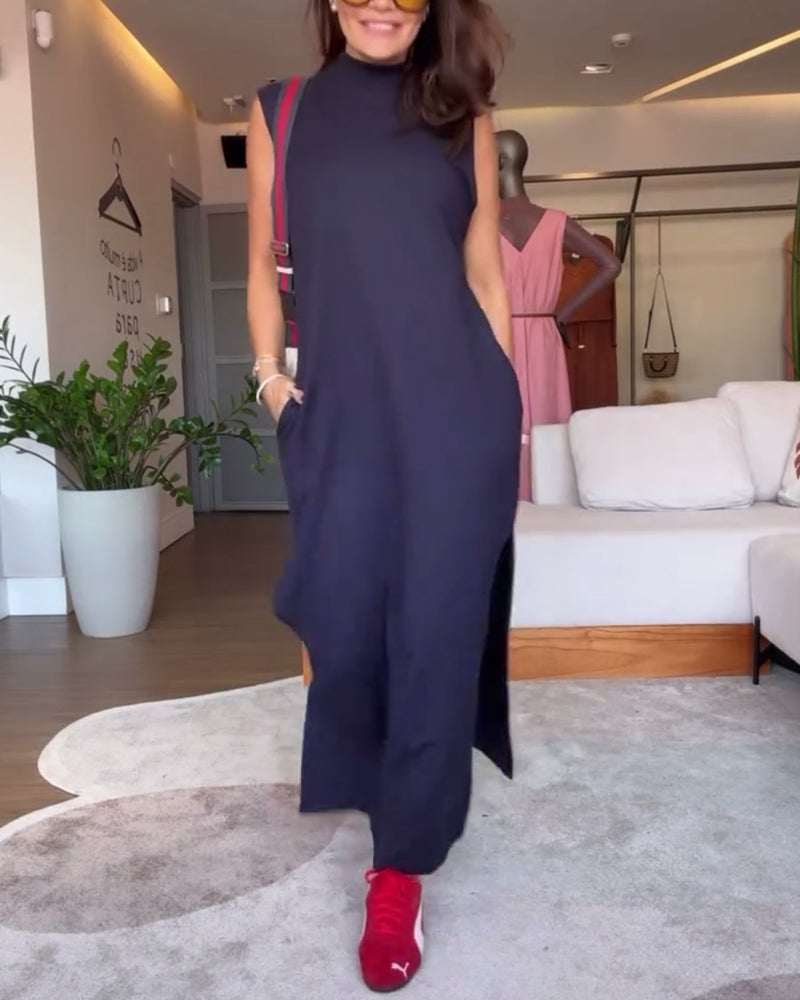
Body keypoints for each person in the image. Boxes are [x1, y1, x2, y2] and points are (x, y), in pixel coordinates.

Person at [246, 0, 520, 990]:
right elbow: (261, 266)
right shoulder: (279, 112)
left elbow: (482, 272)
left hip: (457, 419)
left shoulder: (464, 113)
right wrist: (269, 381)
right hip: (343, 423)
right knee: (348, 628)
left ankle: (398, 869)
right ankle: (382, 804)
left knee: (435, 639)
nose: (382, 3)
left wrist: (504, 414)